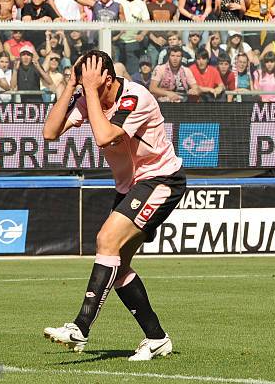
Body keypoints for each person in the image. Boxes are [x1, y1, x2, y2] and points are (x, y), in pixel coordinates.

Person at [42, 50, 185, 360]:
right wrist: (70, 86)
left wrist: (88, 93)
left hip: (161, 180)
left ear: (106, 78)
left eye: (89, 80)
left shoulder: (136, 97)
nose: (85, 87)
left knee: (106, 240)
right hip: (130, 187)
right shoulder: (88, 97)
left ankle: (80, 327)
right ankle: (157, 338)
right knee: (116, 266)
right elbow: (49, 132)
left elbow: (106, 136)